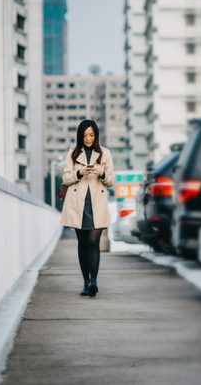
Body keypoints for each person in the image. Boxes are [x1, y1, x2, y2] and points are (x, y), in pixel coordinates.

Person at [60, 120, 115, 297]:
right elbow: (66, 178)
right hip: (78, 203)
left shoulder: (105, 153)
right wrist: (79, 173)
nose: (88, 138)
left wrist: (101, 173)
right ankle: (85, 282)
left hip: (96, 202)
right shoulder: (72, 152)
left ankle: (93, 281)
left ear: (96, 135)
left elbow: (111, 181)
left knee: (93, 242)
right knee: (83, 244)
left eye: (91, 135)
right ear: (80, 136)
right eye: (85, 135)